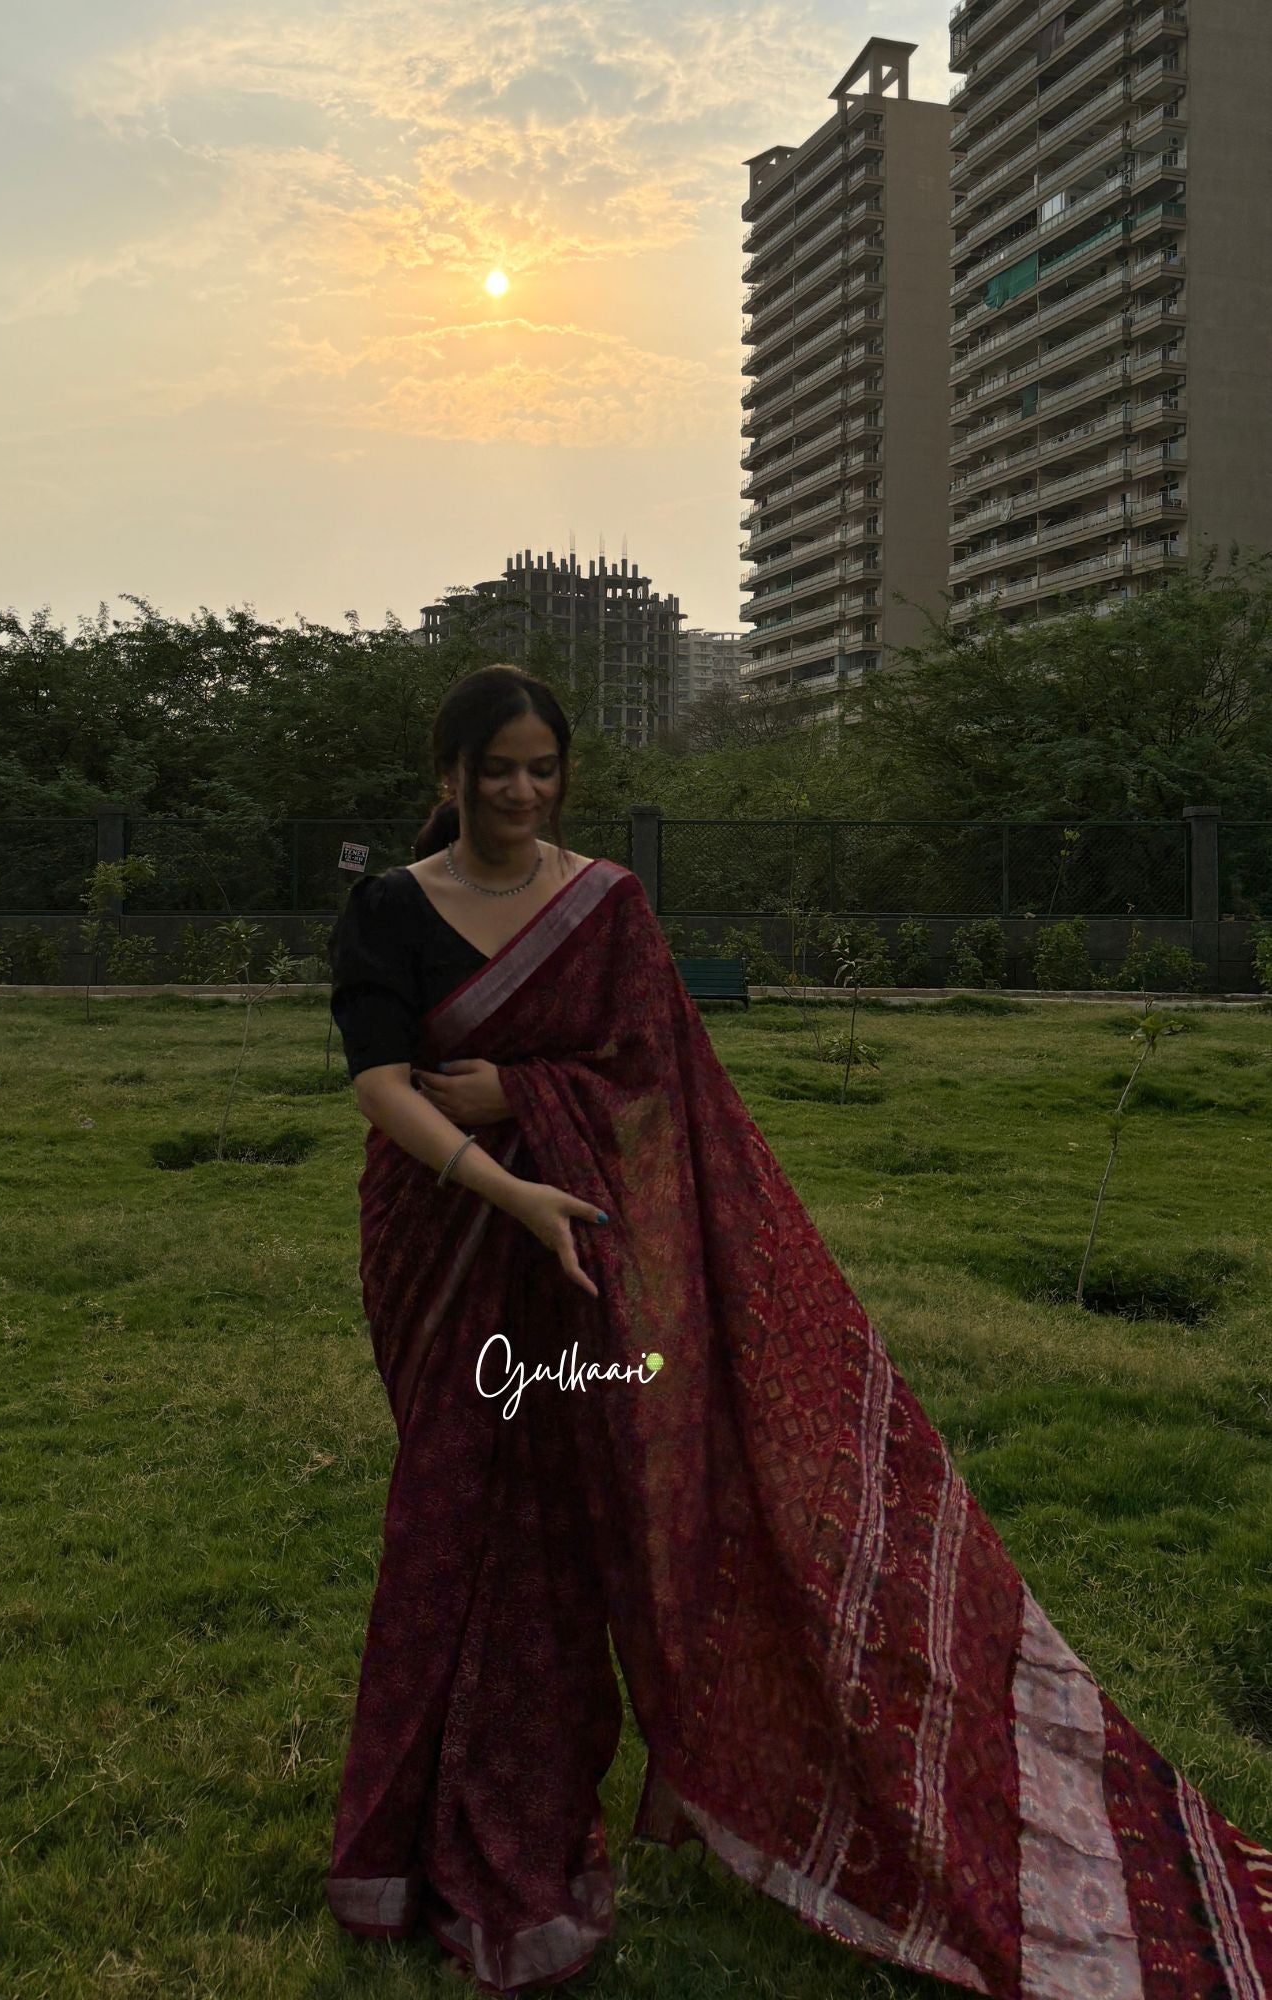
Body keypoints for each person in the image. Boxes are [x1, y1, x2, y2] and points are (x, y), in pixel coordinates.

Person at [323, 664, 1272, 1998]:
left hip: (589, 1269)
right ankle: (401, 1840)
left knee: (557, 1551)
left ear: (564, 775)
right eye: (494, 770)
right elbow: (377, 1083)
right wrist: (500, 1175)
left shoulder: (604, 907)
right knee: (446, 1525)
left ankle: (517, 1828)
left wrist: (531, 1099)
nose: (519, 793)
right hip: (454, 1253)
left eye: (542, 768)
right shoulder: (389, 911)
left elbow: (655, 1083)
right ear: (447, 777)